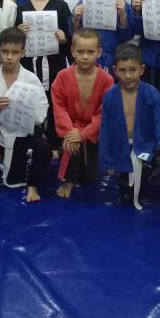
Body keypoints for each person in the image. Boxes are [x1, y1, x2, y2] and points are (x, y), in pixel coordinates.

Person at [99, 43, 160, 235]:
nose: (128, 75)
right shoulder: (110, 96)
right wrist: (108, 160)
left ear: (141, 69)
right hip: (123, 149)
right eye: (123, 70)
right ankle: (137, 179)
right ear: (115, 70)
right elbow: (106, 130)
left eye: (132, 70)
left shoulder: (151, 93)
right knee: (128, 197)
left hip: (149, 146)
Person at [14, 0, 72, 154]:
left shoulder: (61, 6)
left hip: (55, 65)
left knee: (55, 103)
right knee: (30, 101)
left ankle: (55, 143)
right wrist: (18, 32)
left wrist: (64, 38)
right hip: (30, 65)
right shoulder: (22, 8)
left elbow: (70, 38)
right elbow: (14, 42)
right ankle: (32, 142)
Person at [0, 27, 50, 202]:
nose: (9, 57)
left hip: (28, 129)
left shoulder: (31, 78)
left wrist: (31, 115)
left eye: (15, 52)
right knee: (12, 182)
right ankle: (0, 150)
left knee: (43, 149)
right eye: (5, 51)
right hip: (4, 131)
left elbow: (42, 107)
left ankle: (33, 186)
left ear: (23, 53)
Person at [50, 29, 114, 199]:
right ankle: (68, 181)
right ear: (72, 51)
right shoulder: (62, 77)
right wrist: (70, 133)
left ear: (99, 52)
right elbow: (59, 108)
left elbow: (104, 113)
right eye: (80, 51)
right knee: (72, 144)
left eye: (90, 52)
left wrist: (84, 134)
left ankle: (92, 158)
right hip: (70, 130)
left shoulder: (107, 80)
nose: (85, 57)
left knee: (91, 178)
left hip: (94, 132)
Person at [70, 0, 132, 72]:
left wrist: (122, 14)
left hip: (113, 57)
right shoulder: (83, 4)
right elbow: (73, 34)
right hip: (87, 57)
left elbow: (127, 36)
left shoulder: (122, 5)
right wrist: (75, 19)